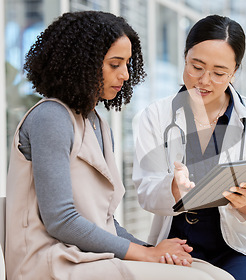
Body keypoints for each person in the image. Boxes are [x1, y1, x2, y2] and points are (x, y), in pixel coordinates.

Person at [5, 11, 233, 280]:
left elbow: (105, 223)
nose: (125, 74)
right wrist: (146, 255)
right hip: (50, 260)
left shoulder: (97, 124)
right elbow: (62, 221)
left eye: (127, 63)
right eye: (115, 64)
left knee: (215, 274)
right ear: (81, 64)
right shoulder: (50, 117)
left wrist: (153, 250)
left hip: (85, 256)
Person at [133, 15, 246, 280]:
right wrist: (172, 187)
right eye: (196, 67)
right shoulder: (155, 116)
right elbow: (145, 191)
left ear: (234, 72)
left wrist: (245, 204)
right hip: (178, 244)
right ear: (185, 57)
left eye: (219, 73)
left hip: (242, 247)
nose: (205, 80)